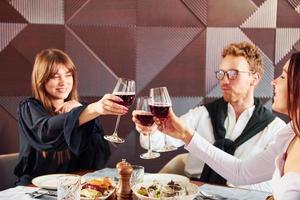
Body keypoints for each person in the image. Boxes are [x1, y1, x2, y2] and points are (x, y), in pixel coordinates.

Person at [132, 41, 286, 192]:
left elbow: (270, 184)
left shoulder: (274, 128)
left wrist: (225, 186)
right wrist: (150, 131)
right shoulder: (203, 114)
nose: (224, 81)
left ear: (255, 78)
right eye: (221, 73)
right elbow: (163, 141)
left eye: (233, 74)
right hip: (193, 195)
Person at [14, 49, 129, 185]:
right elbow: (46, 131)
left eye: (68, 75)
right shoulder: (29, 107)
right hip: (32, 189)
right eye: (55, 76)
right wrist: (91, 109)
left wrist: (82, 110)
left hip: (72, 188)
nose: (63, 82)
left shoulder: (81, 109)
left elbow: (100, 156)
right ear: (41, 79)